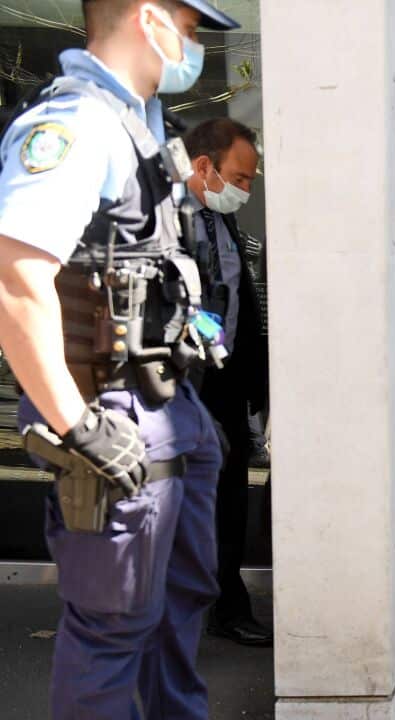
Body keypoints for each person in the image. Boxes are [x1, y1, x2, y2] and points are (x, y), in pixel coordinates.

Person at [0, 1, 238, 717]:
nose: (194, 47)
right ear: (147, 19)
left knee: (180, 603)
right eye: (190, 29)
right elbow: (16, 278)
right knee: (113, 627)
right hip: (112, 411)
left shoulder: (138, 127)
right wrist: (76, 427)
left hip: (169, 405)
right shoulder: (72, 126)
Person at [184, 117, 272, 646]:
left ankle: (227, 604)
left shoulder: (222, 222)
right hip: (178, 385)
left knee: (229, 498)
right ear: (203, 166)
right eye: (238, 178)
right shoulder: (161, 220)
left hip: (225, 385)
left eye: (250, 182)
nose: (244, 190)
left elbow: (233, 295)